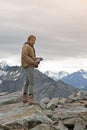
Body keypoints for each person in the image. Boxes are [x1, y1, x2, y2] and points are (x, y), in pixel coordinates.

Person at [21, 35, 43, 104]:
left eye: (34, 41)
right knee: (32, 82)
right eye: (32, 40)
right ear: (29, 40)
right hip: (29, 65)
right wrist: (34, 62)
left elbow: (30, 56)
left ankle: (24, 98)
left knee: (27, 82)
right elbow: (25, 56)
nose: (34, 42)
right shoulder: (26, 46)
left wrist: (37, 59)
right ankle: (30, 98)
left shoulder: (30, 47)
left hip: (29, 65)